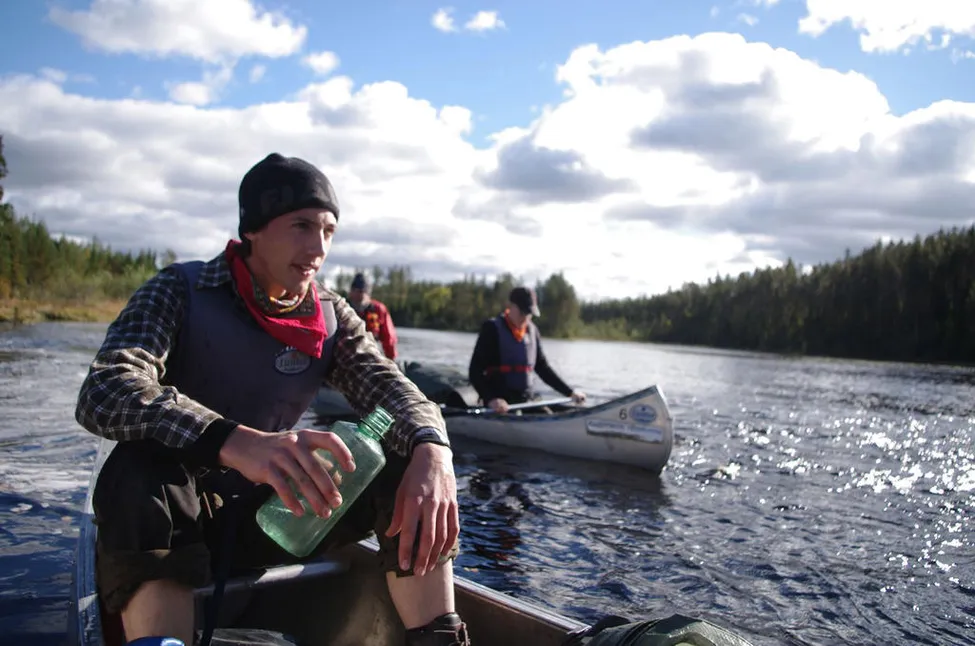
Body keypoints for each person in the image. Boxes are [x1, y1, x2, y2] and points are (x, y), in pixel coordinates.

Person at [75, 153, 470, 646]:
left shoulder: (331, 315)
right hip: (173, 516)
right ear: (253, 230)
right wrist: (235, 441)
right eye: (302, 226)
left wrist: (434, 450)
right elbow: (105, 389)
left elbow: (392, 389)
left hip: (275, 519)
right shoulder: (177, 289)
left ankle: (437, 638)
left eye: (328, 230)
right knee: (139, 468)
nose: (318, 248)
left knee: (401, 460)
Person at [468, 286, 586, 414]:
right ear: (511, 306)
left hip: (526, 398)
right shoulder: (491, 329)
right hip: (501, 403)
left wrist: (570, 392)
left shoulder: (532, 331)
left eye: (529, 313)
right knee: (528, 414)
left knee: (546, 414)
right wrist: (491, 399)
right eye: (522, 312)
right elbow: (474, 371)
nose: (525, 317)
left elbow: (543, 368)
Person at [348, 272, 398, 360]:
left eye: (361, 292)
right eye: (355, 290)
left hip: (372, 355)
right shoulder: (344, 308)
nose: (358, 295)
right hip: (347, 354)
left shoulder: (379, 309)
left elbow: (389, 338)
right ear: (351, 292)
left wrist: (391, 359)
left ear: (368, 294)